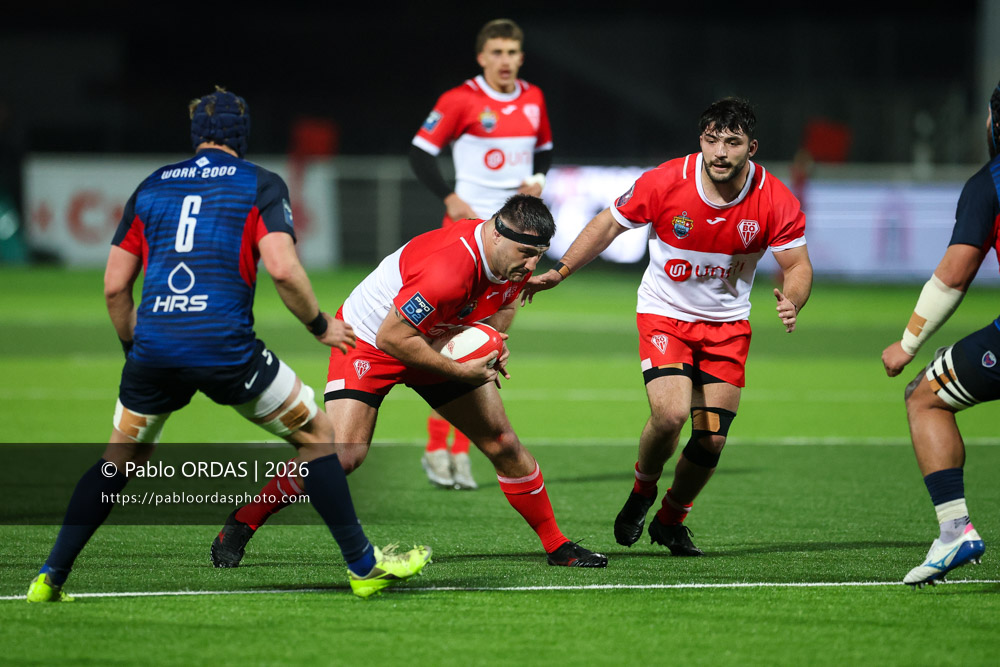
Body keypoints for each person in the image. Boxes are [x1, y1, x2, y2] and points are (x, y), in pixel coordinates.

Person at [26, 87, 430, 602]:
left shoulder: (151, 187)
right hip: (224, 348)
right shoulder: (258, 183)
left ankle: (49, 577)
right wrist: (319, 325)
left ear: (196, 134)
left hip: (153, 349)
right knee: (320, 438)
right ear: (243, 133)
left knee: (116, 462)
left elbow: (113, 287)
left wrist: (138, 351)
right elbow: (283, 270)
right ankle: (362, 565)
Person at [211, 194, 607, 569]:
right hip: (370, 340)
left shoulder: (512, 261)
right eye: (526, 254)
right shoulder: (448, 269)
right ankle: (245, 520)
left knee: (502, 442)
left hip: (437, 332)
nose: (530, 266)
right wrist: (461, 371)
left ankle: (557, 545)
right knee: (344, 456)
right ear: (496, 234)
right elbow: (392, 338)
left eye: (539, 256)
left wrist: (494, 342)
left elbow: (503, 303)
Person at [523, 97, 813, 557]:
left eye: (733, 142)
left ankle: (672, 518)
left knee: (712, 437)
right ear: (701, 140)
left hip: (727, 325)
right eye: (712, 140)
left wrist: (793, 300)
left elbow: (797, 265)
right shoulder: (666, 181)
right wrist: (560, 272)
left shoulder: (774, 197)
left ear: (751, 147)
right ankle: (643, 490)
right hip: (665, 316)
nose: (720, 152)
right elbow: (608, 225)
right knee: (671, 414)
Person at [409, 18, 554, 490]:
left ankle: (458, 448)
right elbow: (420, 152)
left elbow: (546, 150)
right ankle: (438, 447)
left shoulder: (533, 98)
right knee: (448, 331)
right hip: (469, 230)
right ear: (481, 57)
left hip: (516, 234)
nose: (505, 60)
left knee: (491, 331)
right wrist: (450, 197)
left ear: (521, 57)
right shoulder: (459, 100)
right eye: (496, 52)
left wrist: (539, 180)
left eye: (512, 52)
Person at [879, 82, 1000, 588]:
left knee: (924, 398)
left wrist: (906, 345)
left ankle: (954, 530)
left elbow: (954, 274)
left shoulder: (989, 183)